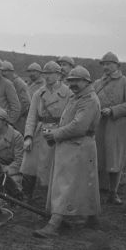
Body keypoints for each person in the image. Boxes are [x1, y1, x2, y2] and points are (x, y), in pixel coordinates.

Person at [33, 66, 101, 238]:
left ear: (87, 81)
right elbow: (70, 121)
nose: (73, 84)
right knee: (82, 183)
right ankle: (91, 218)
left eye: (77, 81)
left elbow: (78, 126)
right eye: (70, 81)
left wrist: (55, 134)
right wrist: (55, 132)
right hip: (71, 145)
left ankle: (54, 223)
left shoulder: (89, 100)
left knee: (66, 184)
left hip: (79, 145)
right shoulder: (77, 97)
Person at [20, 61, 70, 200]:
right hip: (39, 131)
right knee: (30, 163)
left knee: (56, 166)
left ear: (59, 75)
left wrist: (63, 132)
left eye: (51, 73)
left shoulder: (68, 93)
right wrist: (28, 136)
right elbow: (31, 117)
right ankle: (27, 194)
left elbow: (71, 116)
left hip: (58, 132)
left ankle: (53, 198)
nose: (47, 77)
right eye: (45, 74)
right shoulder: (38, 93)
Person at [93, 52, 126, 204]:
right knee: (97, 156)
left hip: (117, 125)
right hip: (99, 124)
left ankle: (113, 193)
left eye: (109, 64)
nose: (106, 67)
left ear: (117, 66)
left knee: (115, 157)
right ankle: (97, 192)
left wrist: (113, 110)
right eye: (104, 64)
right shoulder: (97, 83)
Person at [2, 60, 31, 133]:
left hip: (18, 122)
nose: (2, 73)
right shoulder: (6, 83)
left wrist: (12, 118)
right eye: (1, 71)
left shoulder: (18, 83)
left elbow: (26, 102)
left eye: (5, 71)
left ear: (11, 72)